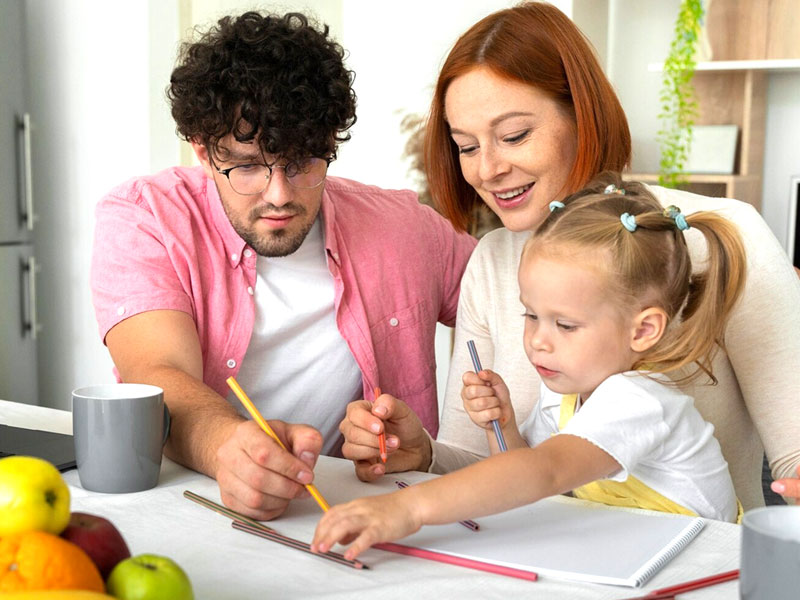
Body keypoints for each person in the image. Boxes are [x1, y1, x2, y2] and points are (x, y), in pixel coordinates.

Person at [338, 1, 800, 510]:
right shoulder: (491, 262)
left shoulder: (721, 234)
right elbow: (495, 465)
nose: (487, 169)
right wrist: (423, 453)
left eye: (514, 136)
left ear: (582, 115)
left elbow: (795, 458)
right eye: (466, 146)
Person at [90, 11, 476, 520]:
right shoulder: (147, 218)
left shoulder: (403, 228)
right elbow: (156, 374)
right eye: (247, 166)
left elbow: (522, 295)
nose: (279, 195)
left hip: (362, 517)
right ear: (204, 153)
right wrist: (229, 444)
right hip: (190, 505)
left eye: (301, 164)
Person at [312, 176, 746, 558]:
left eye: (566, 324)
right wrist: (503, 428)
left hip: (708, 567)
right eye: (531, 315)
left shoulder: (640, 399)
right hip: (640, 554)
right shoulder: (565, 394)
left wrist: (409, 508)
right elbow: (534, 478)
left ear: (644, 330)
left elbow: (545, 472)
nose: (538, 339)